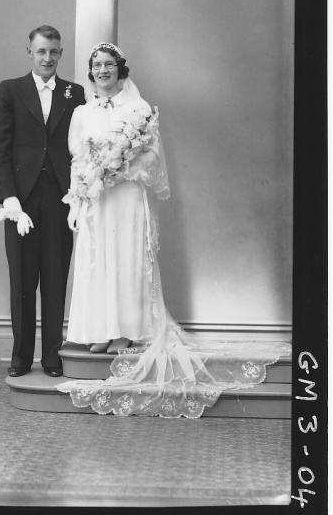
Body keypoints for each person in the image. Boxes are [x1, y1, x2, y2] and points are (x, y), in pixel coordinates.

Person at [57, 42, 290, 417]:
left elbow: (150, 157)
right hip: (98, 198)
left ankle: (125, 330)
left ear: (121, 69)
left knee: (126, 257)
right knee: (97, 260)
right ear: (91, 71)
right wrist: (87, 184)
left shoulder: (139, 110)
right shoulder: (82, 112)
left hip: (127, 195)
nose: (103, 70)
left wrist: (120, 166)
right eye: (97, 65)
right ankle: (99, 331)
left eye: (109, 64)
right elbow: (76, 154)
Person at [0, 25, 85, 378]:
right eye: (42, 51)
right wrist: (9, 198)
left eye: (54, 52)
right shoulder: (10, 90)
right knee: (23, 282)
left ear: (61, 54)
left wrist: (77, 195)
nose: (48, 58)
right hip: (22, 203)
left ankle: (52, 357)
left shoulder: (75, 93)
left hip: (60, 198)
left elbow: (82, 148)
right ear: (29, 51)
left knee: (56, 279)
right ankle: (20, 358)